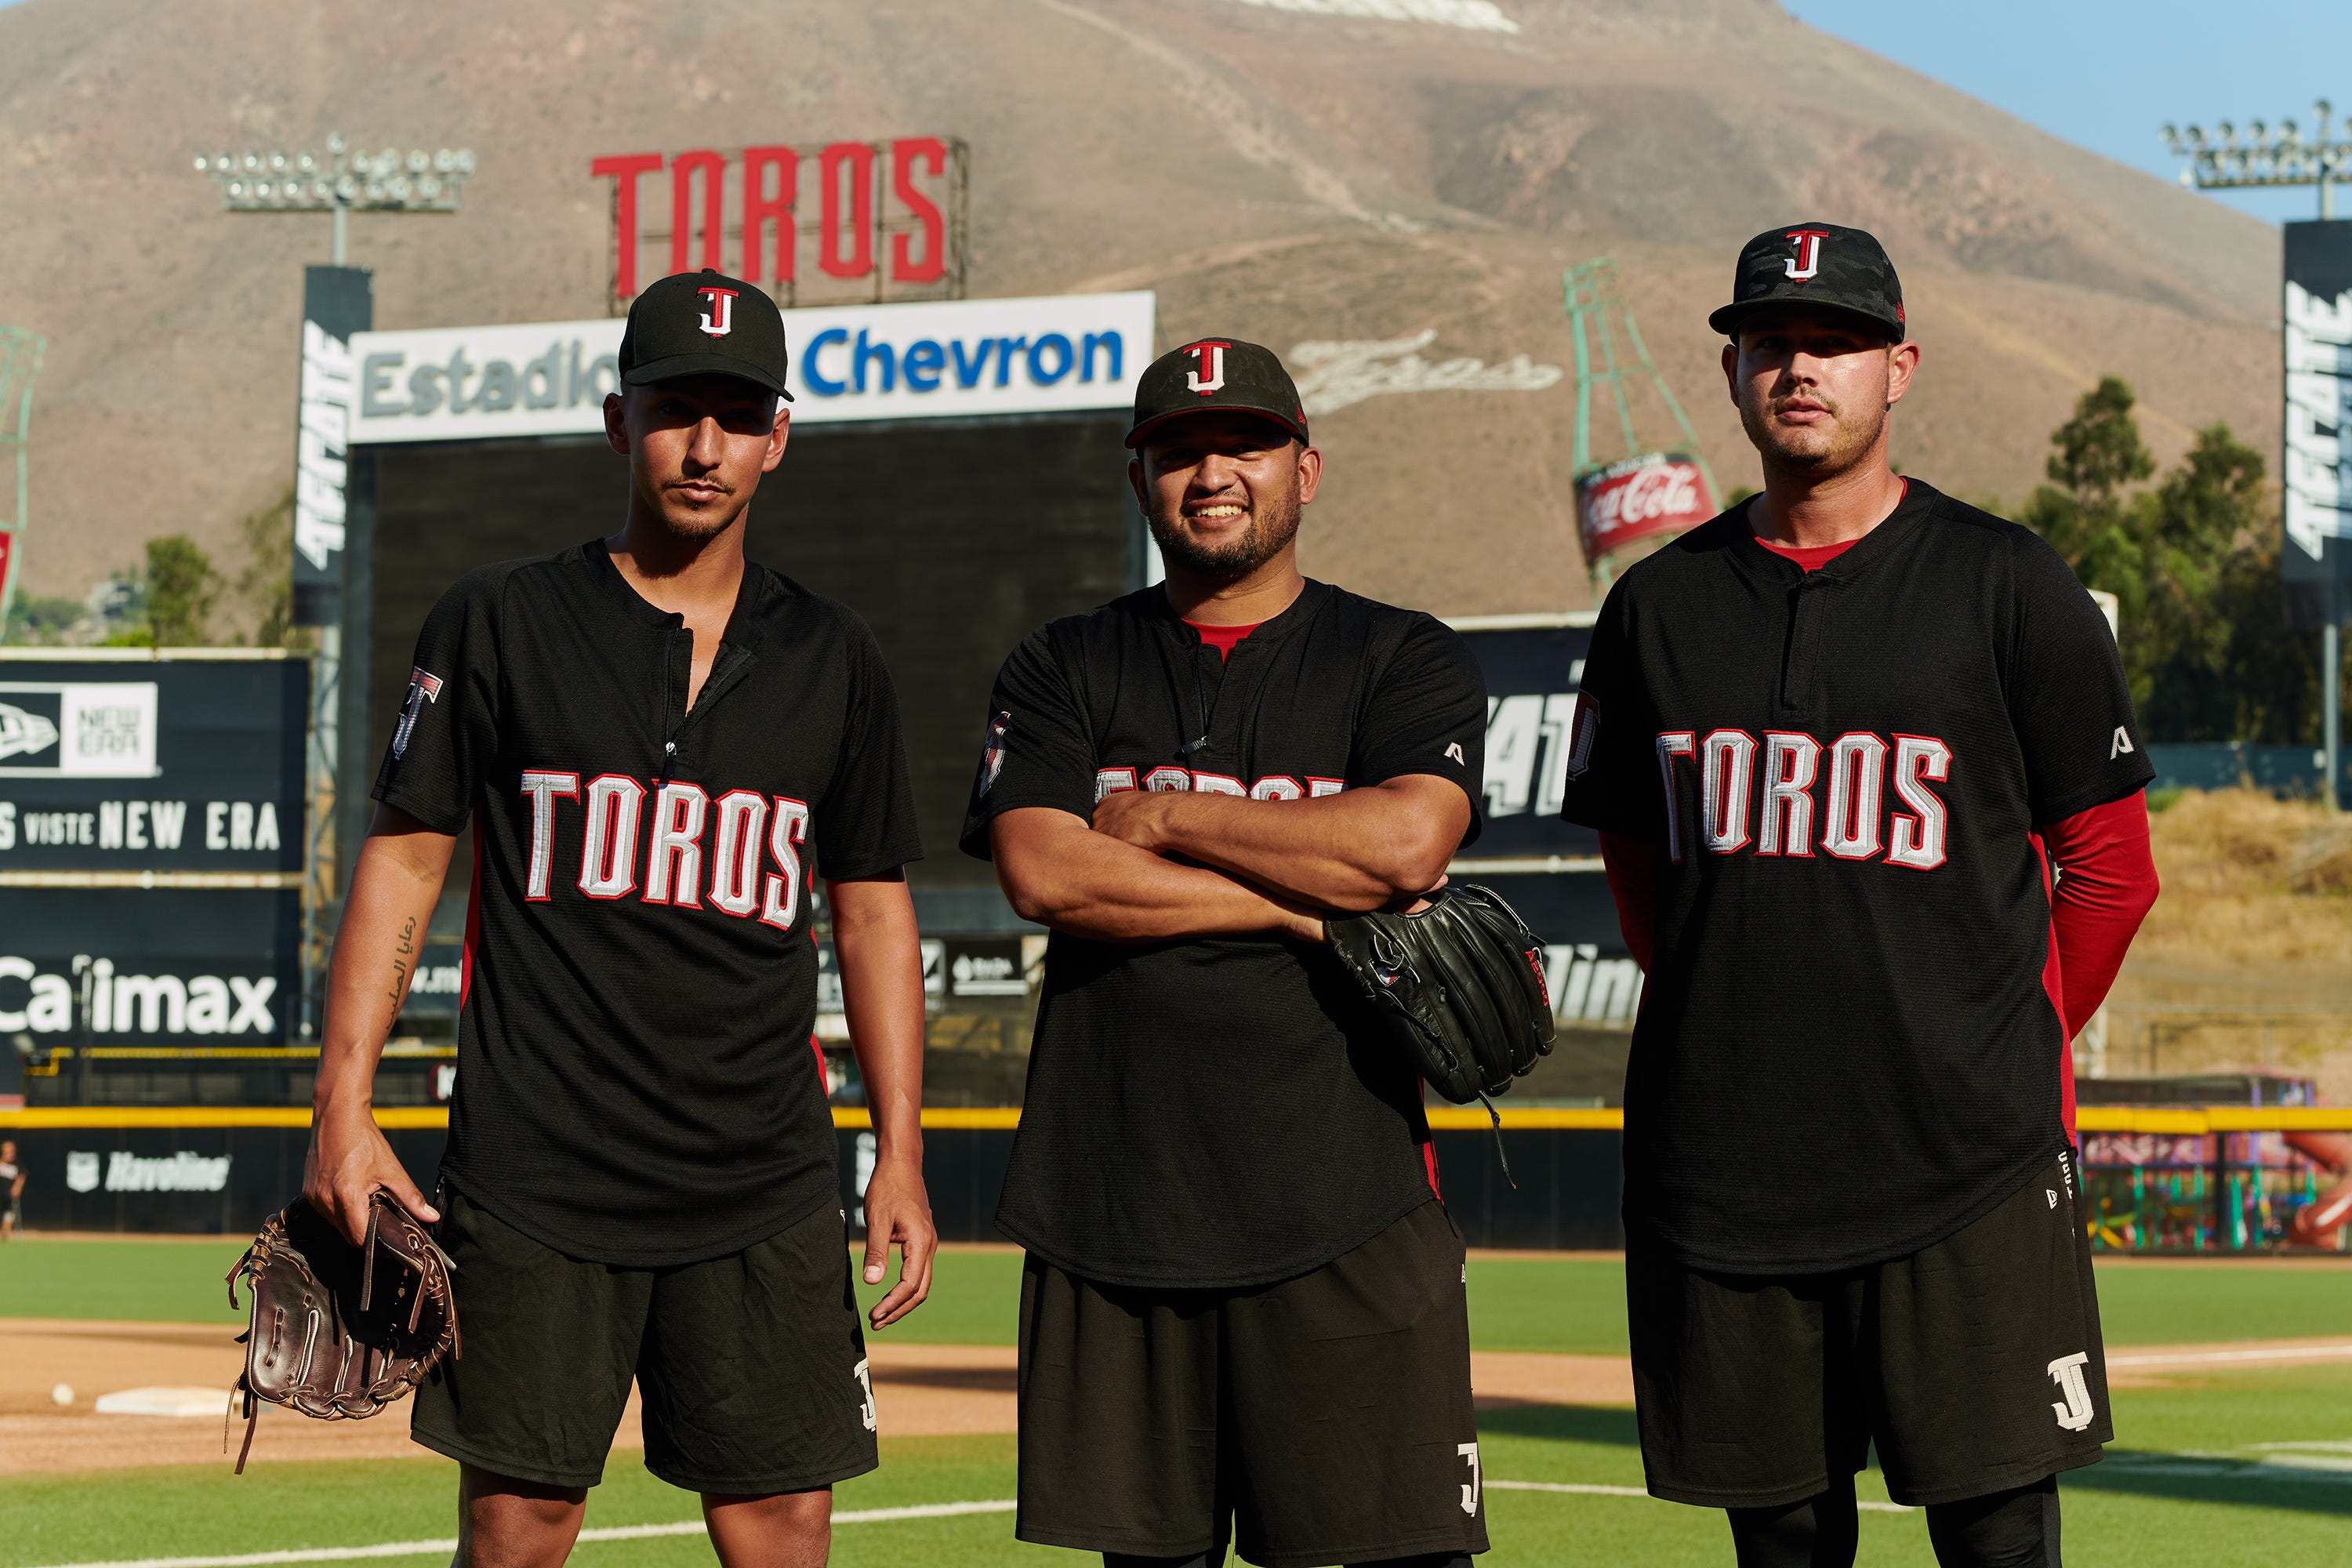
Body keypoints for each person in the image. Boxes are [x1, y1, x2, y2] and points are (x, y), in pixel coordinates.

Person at [301, 268, 936, 1568]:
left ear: (778, 436)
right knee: (521, 1525)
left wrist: (905, 1150)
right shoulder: (499, 620)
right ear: (616, 420)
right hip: (539, 1172)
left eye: (734, 414)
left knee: (782, 1524)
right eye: (673, 409)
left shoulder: (834, 656)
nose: (703, 446)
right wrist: (340, 1108)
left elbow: (873, 914)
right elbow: (406, 863)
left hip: (757, 1174)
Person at [1559, 223, 2159, 1568]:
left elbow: (2112, 873)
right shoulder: (1659, 609)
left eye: (1835, 343)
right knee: (1780, 1548)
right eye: (1772, 344)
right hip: (1724, 1171)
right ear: (1733, 376)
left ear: (1902, 367)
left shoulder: (2009, 582)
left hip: (1964, 1166)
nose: (1801, 369)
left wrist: (2005, 1044)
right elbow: (1642, 881)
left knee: (1998, 1538)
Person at [964, 338, 1493, 1568]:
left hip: (1347, 1201)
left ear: (1306, 469)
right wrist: (1302, 907)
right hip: (1116, 1208)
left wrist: (1166, 815)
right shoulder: (1063, 662)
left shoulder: (1397, 655)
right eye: (1178, 449)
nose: (1213, 471)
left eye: (1245, 444)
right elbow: (1045, 871)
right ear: (1138, 476)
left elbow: (1407, 849)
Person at [1, 1139, 22, 1240]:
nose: (10, 1154)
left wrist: (17, 1188)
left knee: (8, 1213)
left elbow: (21, 1176)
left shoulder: (17, 1164)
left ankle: (5, 1235)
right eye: (8, 1152)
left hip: (7, 1194)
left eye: (12, 1151)